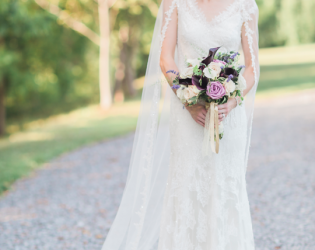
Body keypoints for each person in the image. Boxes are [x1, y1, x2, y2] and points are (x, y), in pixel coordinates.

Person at [102, 0, 260, 249]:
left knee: (225, 190)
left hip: (227, 114)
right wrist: (187, 100)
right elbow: (166, 59)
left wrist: (231, 101)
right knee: (187, 186)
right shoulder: (175, 2)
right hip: (187, 112)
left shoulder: (245, 5)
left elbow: (252, 67)